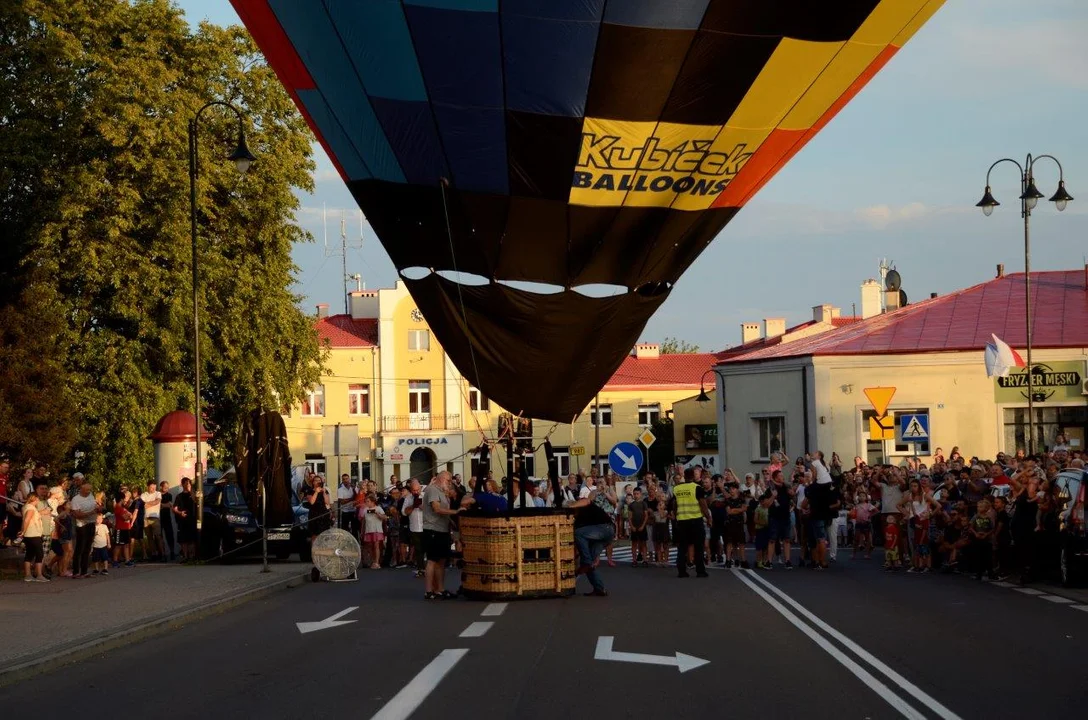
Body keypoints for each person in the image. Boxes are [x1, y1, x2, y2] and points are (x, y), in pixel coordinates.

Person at [567, 482, 616, 597]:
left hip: (605, 528)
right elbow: (578, 543)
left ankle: (586, 563)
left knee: (578, 534)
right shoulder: (578, 521)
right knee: (589, 563)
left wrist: (571, 506)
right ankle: (599, 589)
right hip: (604, 535)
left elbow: (588, 500)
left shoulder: (584, 505)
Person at [422, 471, 461, 600]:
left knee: (441, 561)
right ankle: (429, 590)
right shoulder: (433, 490)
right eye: (448, 481)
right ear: (441, 479)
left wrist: (451, 522)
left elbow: (443, 512)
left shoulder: (442, 492)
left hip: (442, 529)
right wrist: (455, 512)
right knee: (432, 560)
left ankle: (440, 589)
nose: (450, 484)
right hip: (433, 529)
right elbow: (437, 509)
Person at [670, 471, 711, 579]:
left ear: (684, 476)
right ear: (693, 476)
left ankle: (682, 572)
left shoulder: (677, 488)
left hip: (682, 521)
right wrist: (709, 518)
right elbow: (703, 504)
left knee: (682, 548)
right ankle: (700, 571)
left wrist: (675, 515)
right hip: (696, 520)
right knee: (699, 547)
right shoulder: (697, 488)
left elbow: (674, 504)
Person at [70, 479, 97, 578]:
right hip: (81, 525)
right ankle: (76, 571)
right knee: (80, 548)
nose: (89, 492)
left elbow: (95, 506)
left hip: (91, 523)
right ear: (81, 489)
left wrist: (98, 509)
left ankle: (84, 571)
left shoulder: (91, 496)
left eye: (90, 490)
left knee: (87, 548)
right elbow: (77, 515)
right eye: (87, 490)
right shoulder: (76, 499)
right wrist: (91, 512)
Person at [21, 486, 47, 582]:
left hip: (29, 534)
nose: (38, 501)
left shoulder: (26, 507)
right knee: (39, 554)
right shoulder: (31, 508)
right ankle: (39, 575)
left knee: (29, 554)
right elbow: (27, 519)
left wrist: (23, 531)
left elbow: (25, 520)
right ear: (35, 499)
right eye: (37, 499)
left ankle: (28, 575)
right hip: (34, 534)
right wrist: (23, 531)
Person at [173, 477, 197, 562]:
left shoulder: (193, 494)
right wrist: (180, 513)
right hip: (182, 521)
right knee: (183, 540)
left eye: (189, 483)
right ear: (182, 484)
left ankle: (192, 556)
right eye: (186, 483)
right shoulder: (179, 496)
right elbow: (174, 508)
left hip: (192, 519)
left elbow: (196, 501)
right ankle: (185, 556)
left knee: (192, 539)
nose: (188, 485)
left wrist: (190, 491)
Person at [361, 493, 387, 570]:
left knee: (376, 546)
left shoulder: (378, 508)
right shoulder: (365, 510)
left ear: (373, 502)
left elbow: (385, 517)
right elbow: (364, 521)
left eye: (368, 501)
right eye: (366, 501)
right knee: (370, 546)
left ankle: (377, 562)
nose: (366, 503)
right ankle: (373, 561)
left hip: (377, 529)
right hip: (368, 529)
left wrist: (376, 513)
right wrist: (362, 531)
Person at [140, 481, 164, 562]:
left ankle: (162, 554)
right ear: (147, 487)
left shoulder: (158, 493)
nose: (153, 489)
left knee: (158, 536)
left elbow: (157, 501)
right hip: (146, 518)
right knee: (149, 537)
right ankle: (154, 554)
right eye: (151, 487)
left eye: (154, 487)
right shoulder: (144, 495)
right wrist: (152, 503)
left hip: (155, 518)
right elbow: (143, 504)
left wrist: (148, 504)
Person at [626, 487, 649, 567]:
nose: (636, 495)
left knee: (643, 543)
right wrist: (631, 526)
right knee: (634, 544)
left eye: (637, 494)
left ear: (641, 494)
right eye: (634, 494)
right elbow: (629, 517)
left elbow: (646, 516)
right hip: (634, 527)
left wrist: (643, 526)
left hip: (642, 526)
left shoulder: (643, 504)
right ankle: (634, 560)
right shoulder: (631, 505)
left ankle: (645, 559)